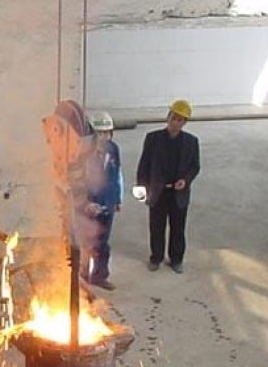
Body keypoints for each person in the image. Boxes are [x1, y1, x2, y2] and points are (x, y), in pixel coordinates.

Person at [133, 99, 200, 273]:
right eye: (173, 118)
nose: (175, 122)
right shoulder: (153, 139)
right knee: (156, 226)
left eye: (180, 120)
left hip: (179, 194)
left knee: (178, 228)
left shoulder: (191, 142)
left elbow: (195, 166)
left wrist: (185, 180)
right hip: (158, 191)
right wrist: (141, 188)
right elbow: (144, 165)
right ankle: (156, 257)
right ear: (168, 117)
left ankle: (176, 259)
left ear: (184, 123)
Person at [81, 111, 123, 290]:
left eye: (107, 132)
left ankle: (100, 276)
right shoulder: (83, 154)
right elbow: (77, 182)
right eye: (99, 133)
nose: (103, 137)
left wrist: (118, 198)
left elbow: (117, 174)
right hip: (89, 206)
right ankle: (81, 277)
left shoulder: (113, 149)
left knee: (103, 243)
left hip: (108, 203)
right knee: (85, 242)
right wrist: (86, 203)